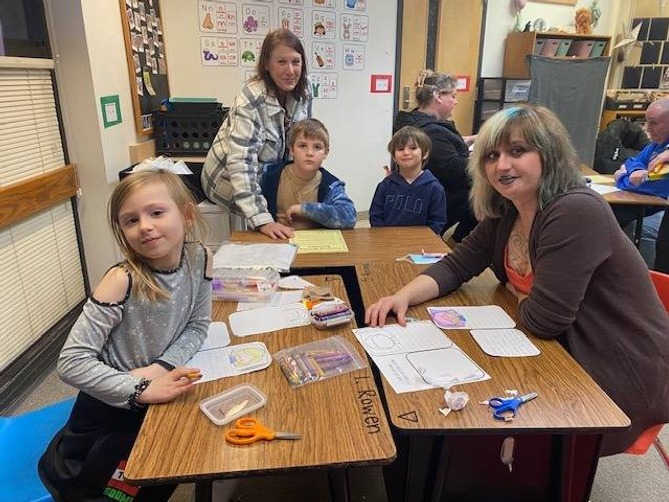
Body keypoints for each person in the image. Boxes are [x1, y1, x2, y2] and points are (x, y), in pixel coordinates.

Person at [366, 104, 669, 456]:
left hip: (612, 364)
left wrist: (520, 297)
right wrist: (403, 296)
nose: (502, 165)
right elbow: (455, 266)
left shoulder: (574, 211)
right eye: (492, 155)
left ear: (549, 154)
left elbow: (545, 319)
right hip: (557, 348)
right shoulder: (508, 209)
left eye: (518, 151)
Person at [39, 170, 213, 501]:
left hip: (157, 391)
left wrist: (159, 369)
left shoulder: (201, 258)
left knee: (172, 463)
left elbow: (198, 325)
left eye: (156, 212)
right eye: (130, 220)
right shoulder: (122, 280)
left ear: (187, 214)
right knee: (117, 487)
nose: (144, 225)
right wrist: (141, 389)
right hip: (108, 411)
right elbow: (71, 363)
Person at [201, 28, 312, 240]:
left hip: (266, 174)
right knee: (265, 231)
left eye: (296, 62)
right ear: (267, 65)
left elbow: (304, 139)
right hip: (225, 179)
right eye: (281, 62)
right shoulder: (250, 100)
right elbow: (241, 164)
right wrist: (262, 219)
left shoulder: (304, 91)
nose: (290, 70)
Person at [393, 69, 477, 242]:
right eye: (453, 96)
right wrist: (479, 158)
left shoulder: (415, 121)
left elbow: (441, 150)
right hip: (443, 197)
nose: (456, 102)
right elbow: (455, 170)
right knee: (491, 201)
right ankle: (457, 244)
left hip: (428, 192)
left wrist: (469, 140)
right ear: (438, 96)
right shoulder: (432, 132)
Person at [260, 118, 357, 229]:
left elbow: (350, 218)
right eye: (302, 146)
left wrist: (306, 209)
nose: (309, 153)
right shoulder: (270, 175)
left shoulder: (331, 185)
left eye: (317, 147)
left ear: (326, 153)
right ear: (291, 149)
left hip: (316, 243)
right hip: (276, 240)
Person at [613, 97, 669, 274]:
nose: (647, 129)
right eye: (647, 122)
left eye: (654, 123)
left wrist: (623, 177)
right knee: (605, 212)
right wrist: (635, 170)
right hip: (642, 203)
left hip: (653, 207)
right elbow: (632, 161)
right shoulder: (656, 146)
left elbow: (653, 186)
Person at [369, 125, 446, 235]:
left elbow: (437, 221)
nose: (406, 152)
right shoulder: (385, 185)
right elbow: (375, 216)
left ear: (425, 153)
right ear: (394, 157)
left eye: (413, 148)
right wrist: (383, 236)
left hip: (420, 243)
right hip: (388, 241)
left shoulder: (435, 188)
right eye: (400, 149)